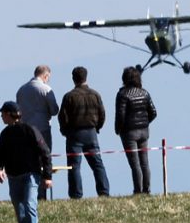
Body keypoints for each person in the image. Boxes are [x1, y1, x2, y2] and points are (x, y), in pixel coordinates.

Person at [0, 101, 54, 223]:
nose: (1, 116)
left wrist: (47, 176)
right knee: (20, 212)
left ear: (10, 114)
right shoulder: (5, 134)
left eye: (3, 113)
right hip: (13, 177)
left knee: (29, 206)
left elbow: (45, 152)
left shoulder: (30, 130)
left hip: (30, 175)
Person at [58, 66, 110, 199]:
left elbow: (62, 117)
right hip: (91, 133)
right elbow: (102, 114)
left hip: (74, 134)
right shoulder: (95, 95)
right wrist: (97, 127)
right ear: (86, 77)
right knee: (97, 164)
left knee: (74, 166)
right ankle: (103, 192)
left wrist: (65, 131)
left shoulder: (69, 96)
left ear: (73, 78)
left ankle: (76, 194)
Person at [16, 65, 59, 200]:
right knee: (43, 160)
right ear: (45, 76)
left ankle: (28, 193)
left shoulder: (21, 90)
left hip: (25, 130)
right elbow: (54, 110)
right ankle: (41, 194)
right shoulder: (46, 89)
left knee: (27, 163)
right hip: (42, 129)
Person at [115, 66, 158, 194]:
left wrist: (118, 129)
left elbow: (120, 115)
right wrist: (144, 122)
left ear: (124, 79)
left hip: (129, 133)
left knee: (135, 164)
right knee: (145, 162)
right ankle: (147, 189)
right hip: (144, 132)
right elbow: (154, 112)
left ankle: (137, 191)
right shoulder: (145, 93)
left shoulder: (122, 94)